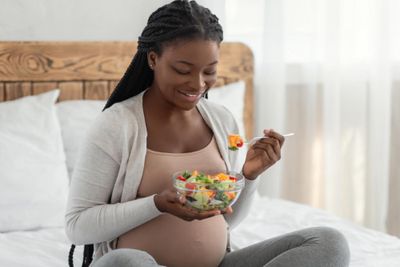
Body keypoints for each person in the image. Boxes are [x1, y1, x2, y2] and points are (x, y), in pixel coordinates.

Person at [65, 1, 350, 266]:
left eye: (209, 71)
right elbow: (78, 227)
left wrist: (248, 177)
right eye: (183, 70)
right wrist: (156, 204)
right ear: (153, 59)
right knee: (124, 263)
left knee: (328, 242)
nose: (198, 84)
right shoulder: (116, 126)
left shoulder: (222, 120)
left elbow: (226, 221)